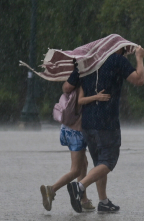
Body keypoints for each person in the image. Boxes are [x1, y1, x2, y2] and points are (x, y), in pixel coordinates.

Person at [64, 45, 144, 213]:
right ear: (118, 49)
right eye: (124, 51)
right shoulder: (117, 60)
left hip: (87, 123)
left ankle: (104, 202)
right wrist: (139, 58)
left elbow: (66, 87)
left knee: (99, 163)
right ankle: (79, 187)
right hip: (107, 122)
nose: (125, 54)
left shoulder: (86, 63)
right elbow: (139, 80)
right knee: (108, 161)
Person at [40, 80, 97, 212]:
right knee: (76, 170)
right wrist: (96, 97)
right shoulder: (85, 82)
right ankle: (51, 189)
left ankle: (83, 199)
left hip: (67, 128)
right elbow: (80, 101)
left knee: (83, 163)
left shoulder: (72, 81)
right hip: (76, 132)